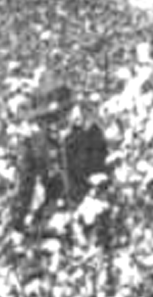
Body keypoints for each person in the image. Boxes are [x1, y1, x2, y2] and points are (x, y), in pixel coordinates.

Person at [10, 74, 111, 234]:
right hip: (54, 210)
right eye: (45, 120)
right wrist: (18, 222)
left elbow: (103, 173)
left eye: (57, 116)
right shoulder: (35, 144)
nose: (52, 124)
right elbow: (25, 188)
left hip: (90, 206)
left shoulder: (89, 135)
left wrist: (93, 200)